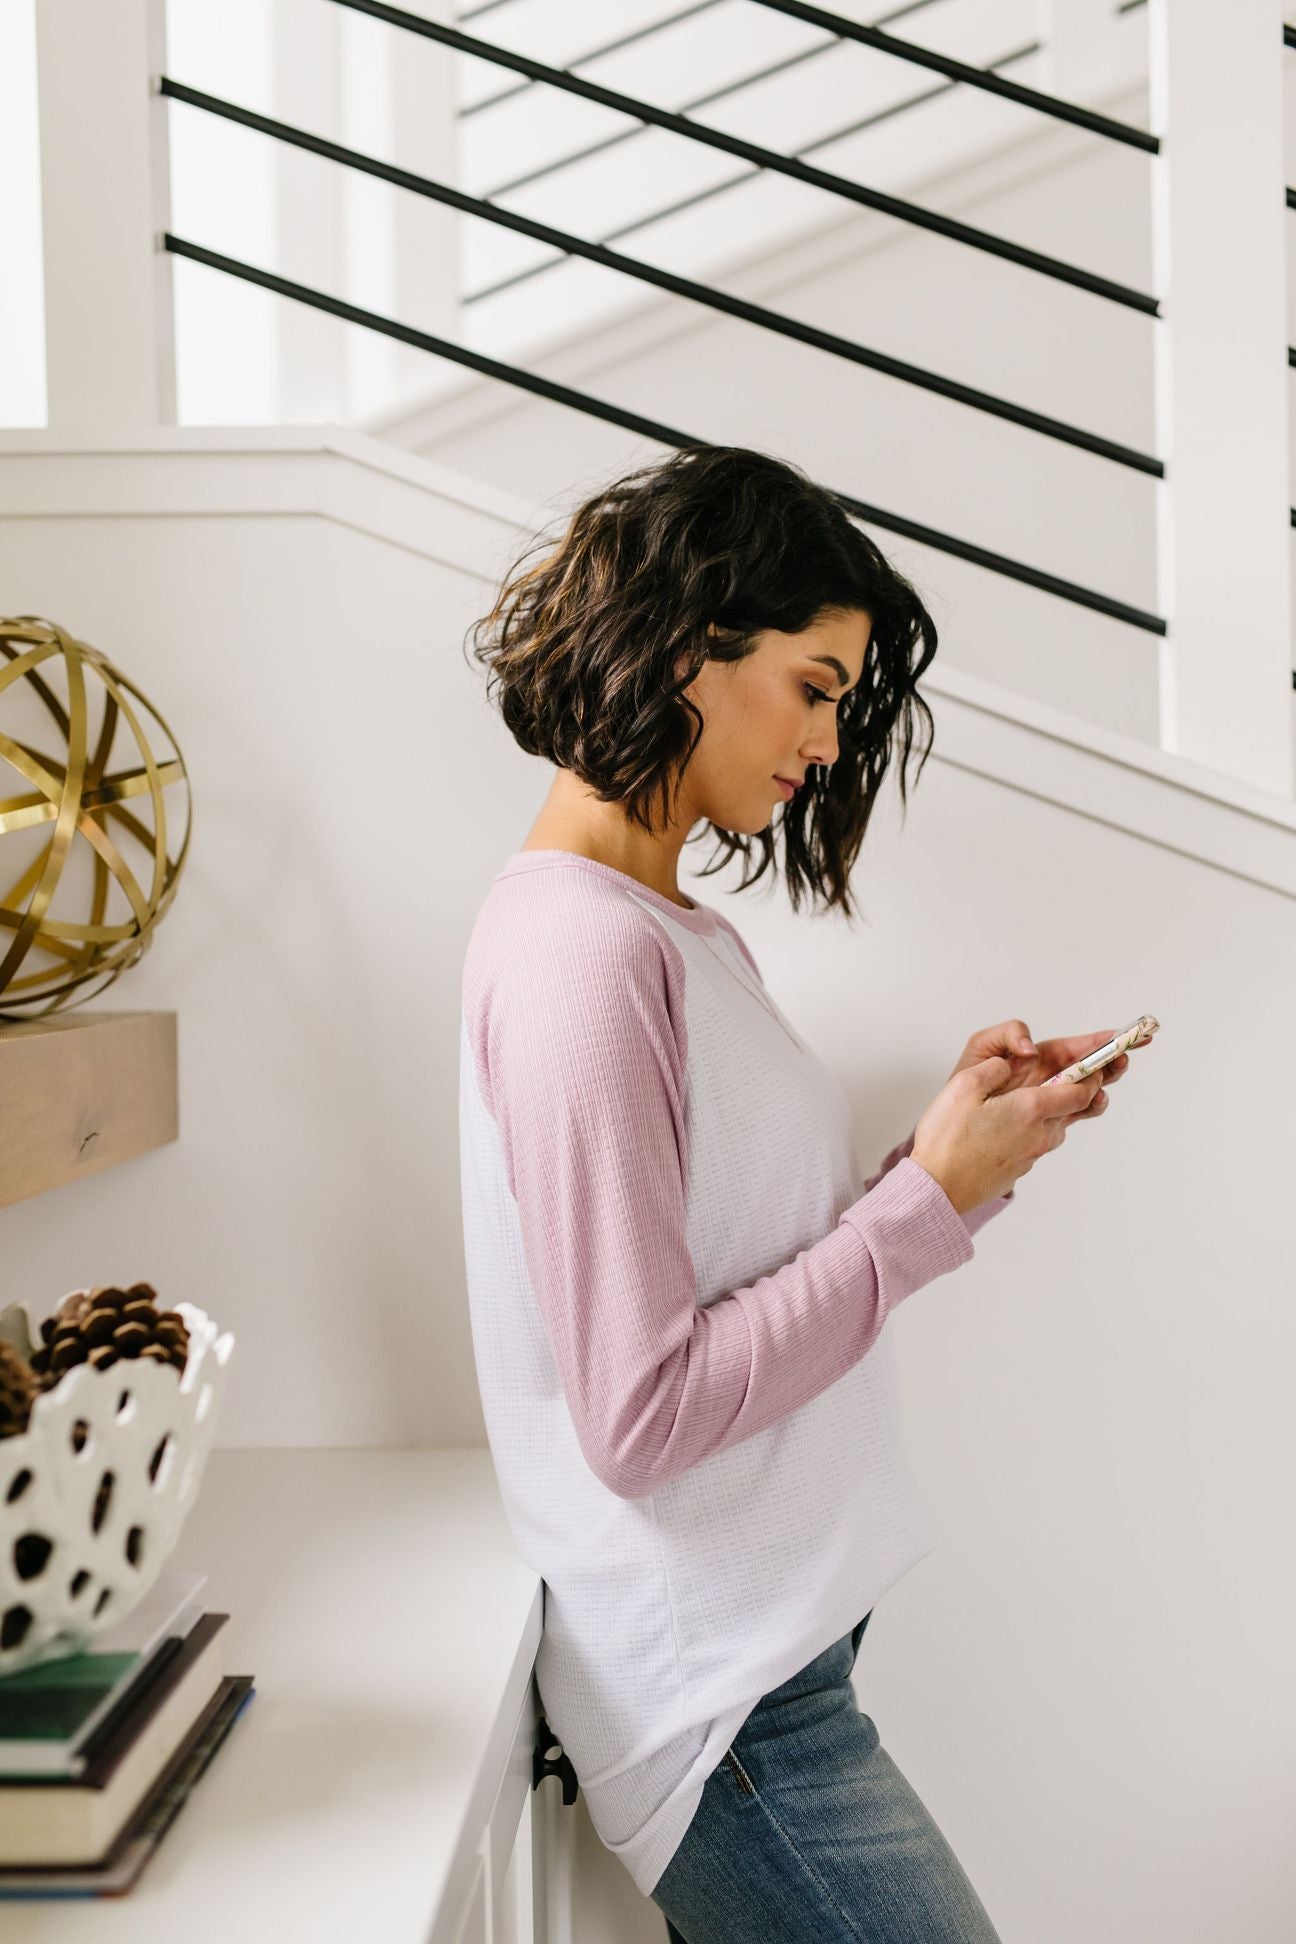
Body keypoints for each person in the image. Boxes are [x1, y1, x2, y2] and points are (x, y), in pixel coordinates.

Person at [457, 445, 1132, 1942]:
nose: (827, 747)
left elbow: (735, 1264)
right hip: (732, 1712)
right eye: (816, 687)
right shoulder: (581, 954)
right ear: (691, 645)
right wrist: (921, 1212)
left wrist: (952, 1163)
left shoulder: (662, 928)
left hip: (771, 1676)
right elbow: (640, 1415)